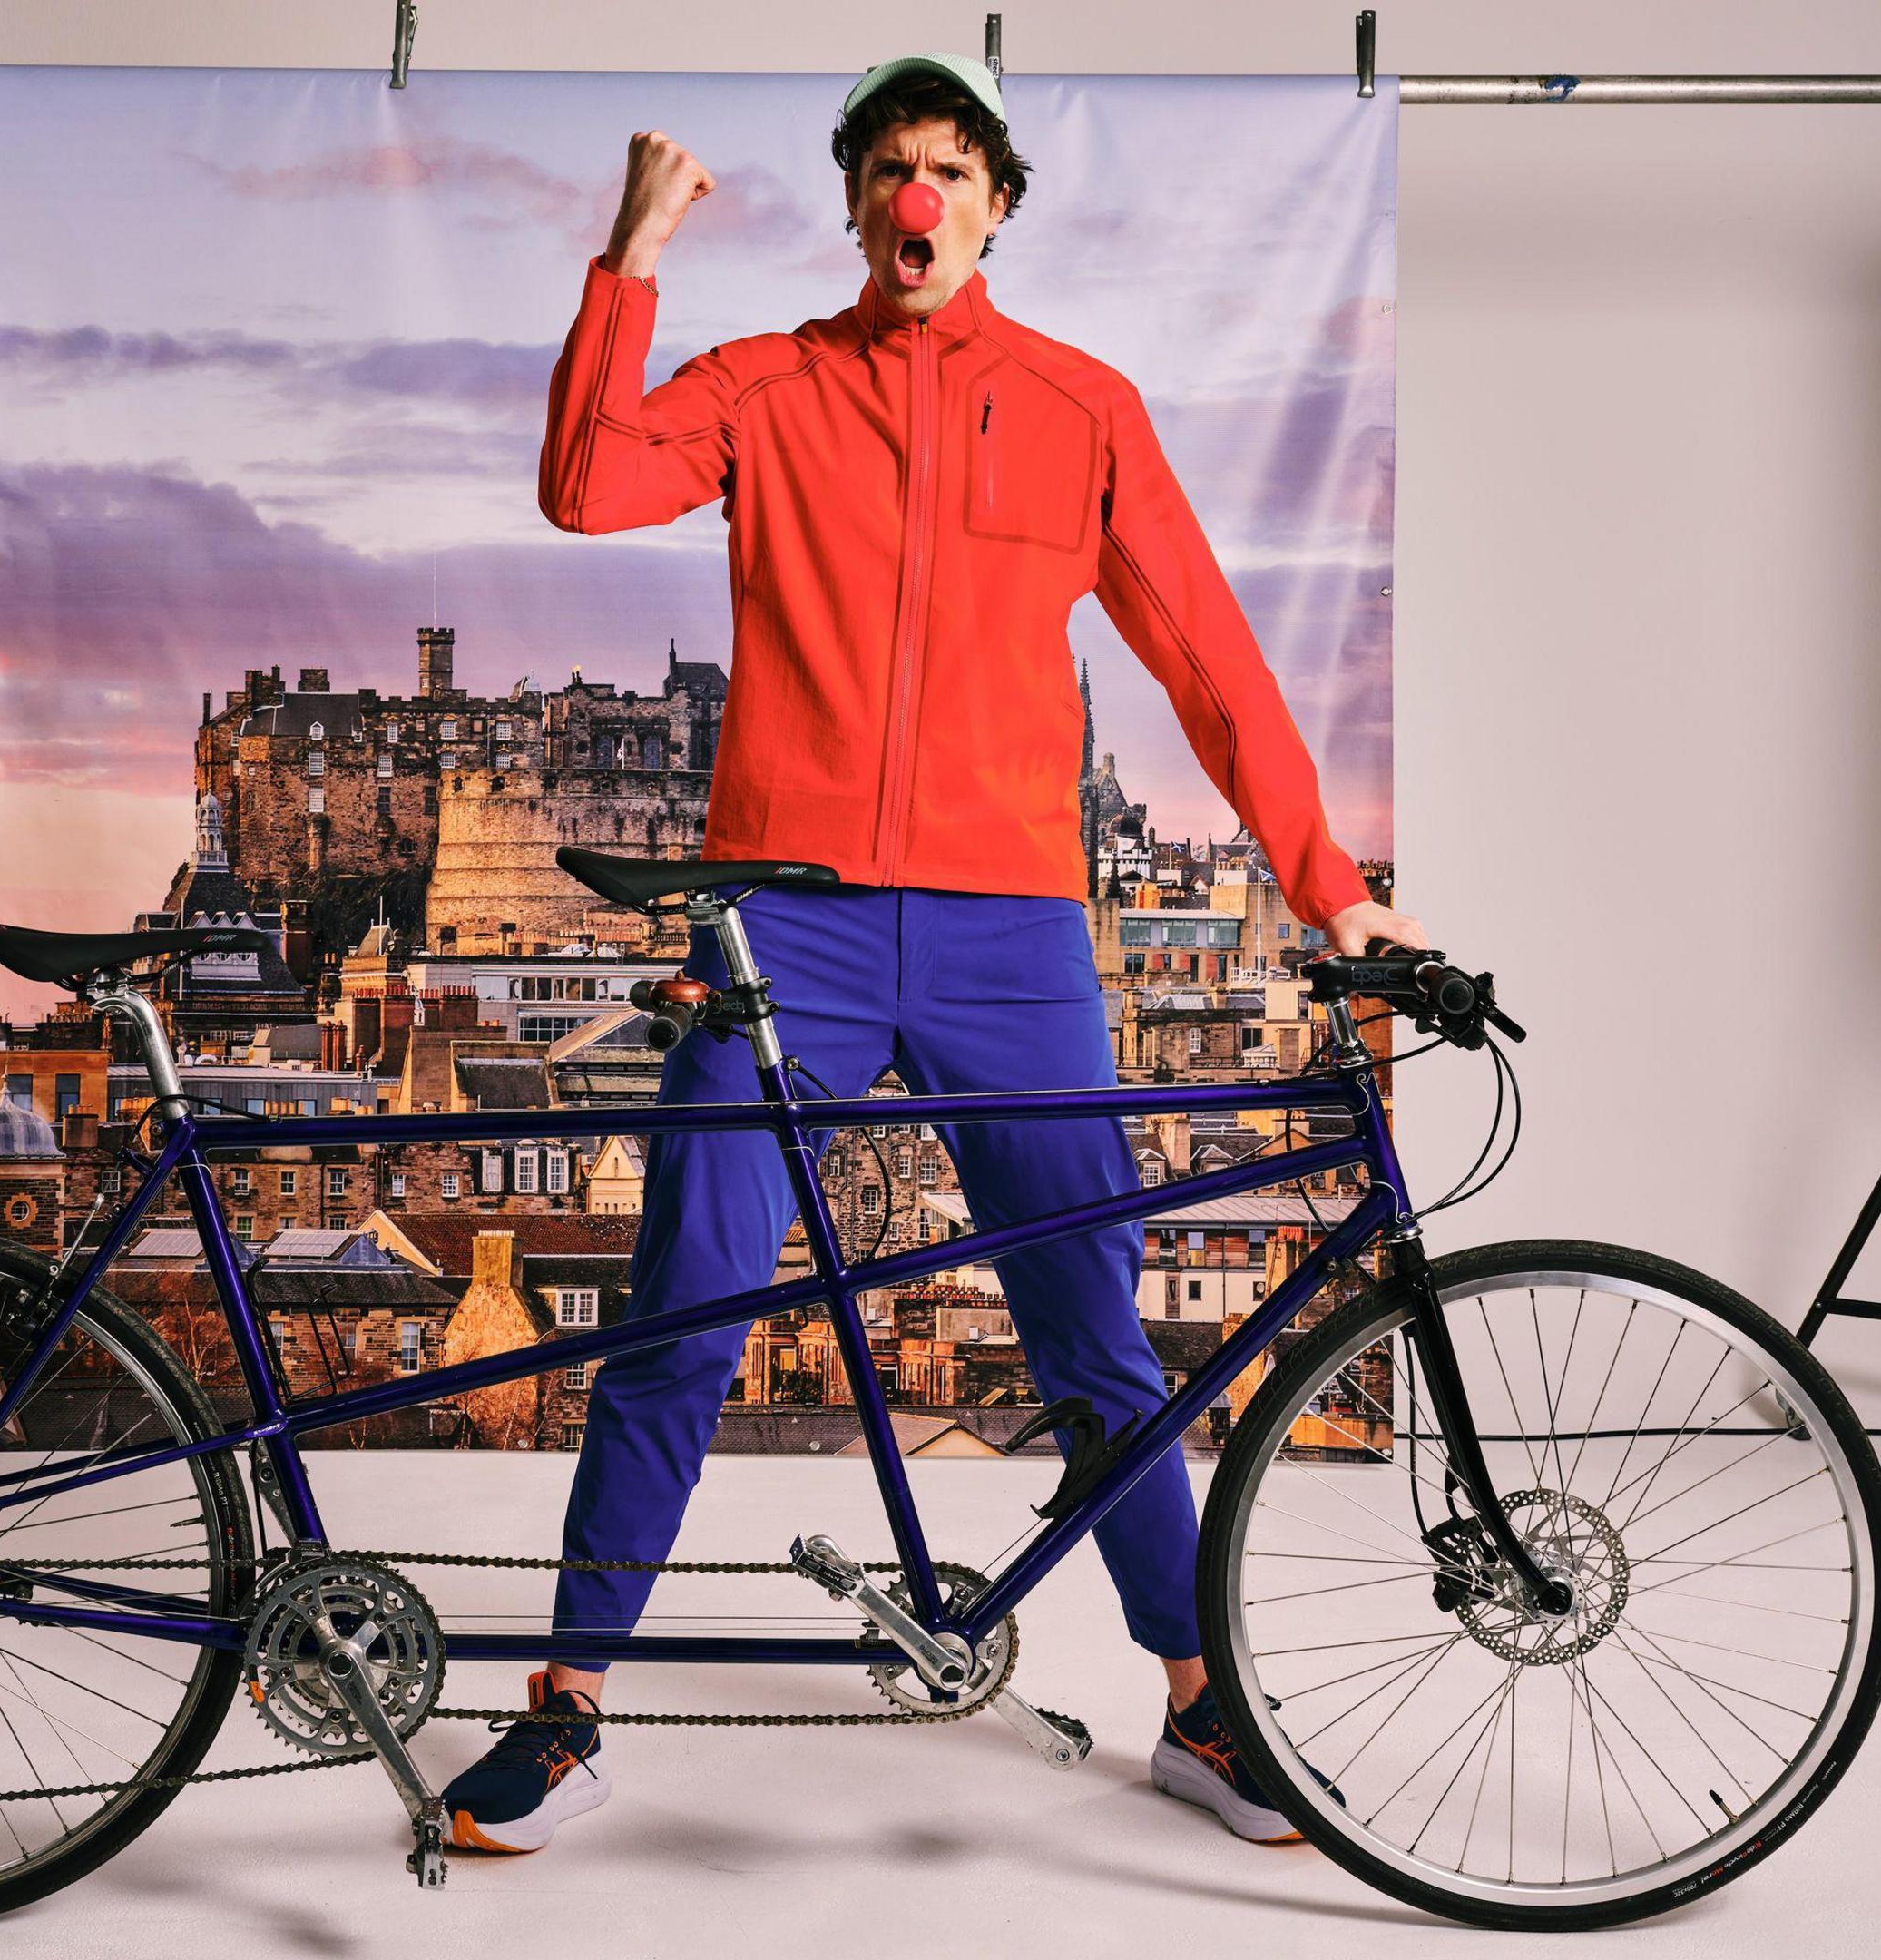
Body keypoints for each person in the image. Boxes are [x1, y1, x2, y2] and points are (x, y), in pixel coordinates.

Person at [436, 52, 1425, 1857]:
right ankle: (568, 1706)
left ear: (996, 208)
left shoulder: (1083, 408)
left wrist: (1331, 887)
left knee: (1099, 1341)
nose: (919, 199)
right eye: (890, 168)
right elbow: (585, 486)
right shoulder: (769, 386)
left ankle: (1199, 1708)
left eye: (951, 173)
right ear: (853, 201)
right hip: (783, 930)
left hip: (1009, 939)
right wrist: (631, 256)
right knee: (682, 1310)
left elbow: (1210, 661)